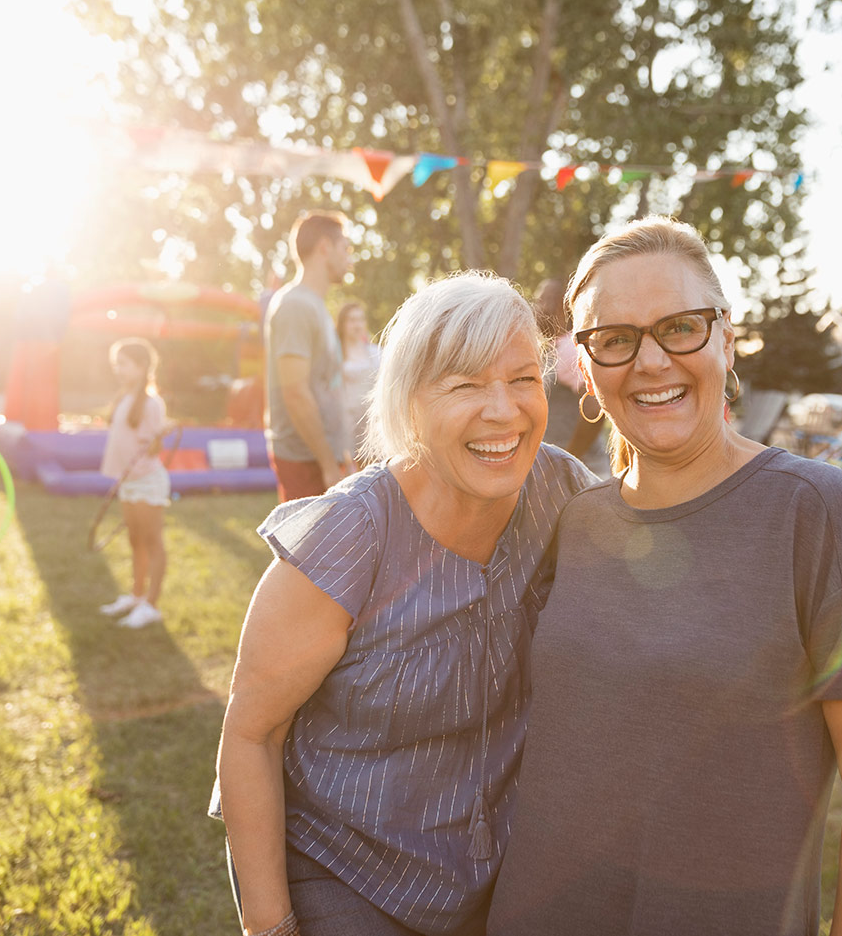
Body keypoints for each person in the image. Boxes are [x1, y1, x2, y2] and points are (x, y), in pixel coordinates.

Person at [488, 217, 842, 936]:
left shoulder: (816, 510)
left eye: (681, 327)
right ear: (587, 372)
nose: (651, 360)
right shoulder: (574, 523)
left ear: (727, 338)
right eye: (615, 338)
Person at [211, 272, 596, 936]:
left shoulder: (561, 490)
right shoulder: (349, 534)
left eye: (521, 379)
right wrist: (270, 926)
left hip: (494, 880)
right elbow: (252, 732)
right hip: (342, 871)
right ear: (411, 405)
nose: (503, 410)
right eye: (465, 384)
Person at [264, 210, 356, 502]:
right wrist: (328, 465)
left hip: (322, 460)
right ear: (324, 248)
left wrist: (340, 455)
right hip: (305, 462)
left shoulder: (315, 306)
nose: (350, 257)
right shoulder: (295, 306)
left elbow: (328, 387)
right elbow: (295, 393)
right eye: (346, 248)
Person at [97, 338, 169, 630]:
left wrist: (163, 433)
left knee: (152, 542)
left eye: (124, 363)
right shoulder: (125, 398)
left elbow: (153, 447)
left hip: (147, 482)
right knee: (135, 540)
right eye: (117, 363)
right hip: (128, 482)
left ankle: (151, 605)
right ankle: (136, 595)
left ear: (141, 367)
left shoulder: (152, 404)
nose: (118, 369)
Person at [535, 278, 606, 467]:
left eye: (544, 299)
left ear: (561, 306)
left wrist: (570, 459)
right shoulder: (550, 349)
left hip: (585, 470)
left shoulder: (569, 349)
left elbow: (595, 406)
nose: (538, 308)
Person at [336, 301, 380, 465]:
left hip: (372, 423)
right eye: (352, 320)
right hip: (345, 424)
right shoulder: (334, 355)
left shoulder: (375, 352)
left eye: (360, 319)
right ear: (343, 324)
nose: (357, 324)